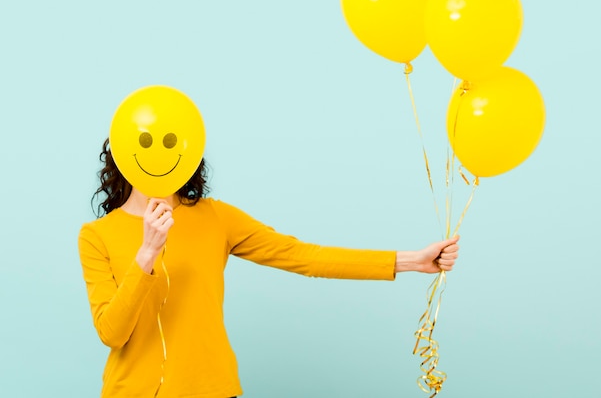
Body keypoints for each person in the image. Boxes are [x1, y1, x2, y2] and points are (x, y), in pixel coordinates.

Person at [79, 139, 460, 398]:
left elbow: (305, 257)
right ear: (123, 151)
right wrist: (146, 253)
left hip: (212, 389)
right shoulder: (96, 235)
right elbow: (112, 333)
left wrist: (411, 260)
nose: (158, 153)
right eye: (146, 142)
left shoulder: (216, 218)